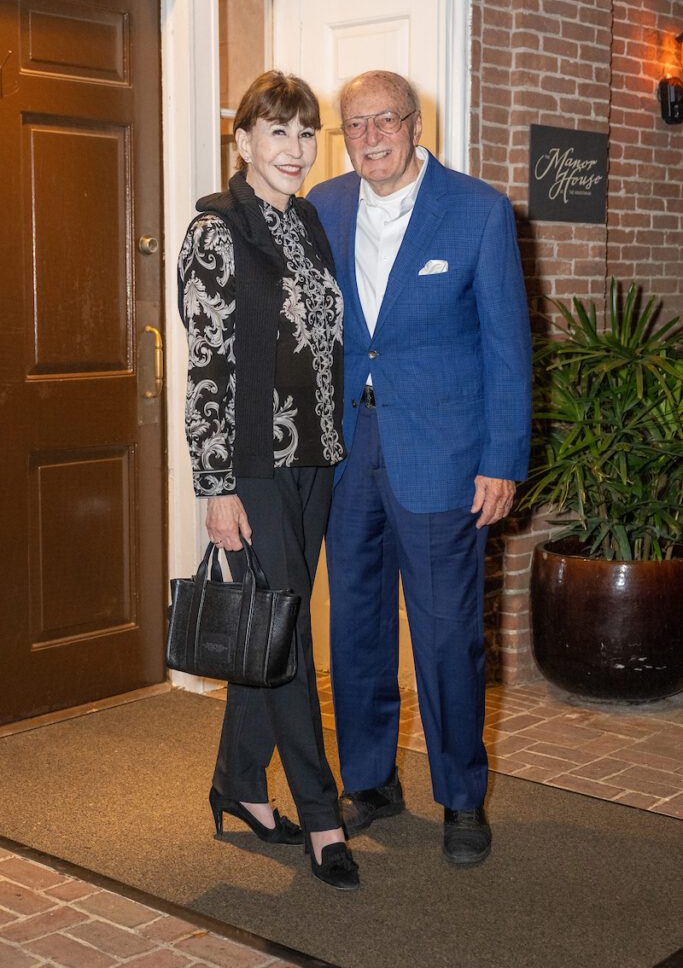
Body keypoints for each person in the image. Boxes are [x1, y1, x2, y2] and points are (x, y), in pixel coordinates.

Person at [308, 70, 531, 867]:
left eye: (384, 121)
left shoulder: (475, 210)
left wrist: (501, 459)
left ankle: (461, 796)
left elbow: (509, 345)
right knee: (356, 628)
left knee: (444, 640)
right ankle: (369, 781)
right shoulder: (322, 207)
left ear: (412, 122)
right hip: (346, 454)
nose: (370, 137)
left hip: (443, 457)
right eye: (353, 125)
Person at [178, 70, 358, 890]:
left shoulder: (310, 223)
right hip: (252, 468)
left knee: (271, 627)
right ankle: (322, 816)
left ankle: (239, 784)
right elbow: (207, 372)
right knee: (292, 643)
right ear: (242, 143)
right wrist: (216, 488)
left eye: (304, 132)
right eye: (276, 131)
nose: (294, 148)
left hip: (315, 460)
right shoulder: (216, 232)